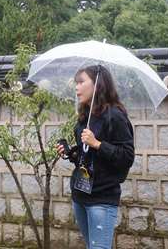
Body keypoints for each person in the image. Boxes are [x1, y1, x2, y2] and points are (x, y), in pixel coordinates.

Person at [55, 65, 135, 249]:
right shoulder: (85, 118)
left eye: (81, 82)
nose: (76, 87)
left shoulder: (116, 118)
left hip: (102, 199)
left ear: (98, 85)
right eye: (76, 82)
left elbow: (127, 157)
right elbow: (87, 157)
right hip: (80, 196)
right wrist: (71, 153)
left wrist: (98, 144)